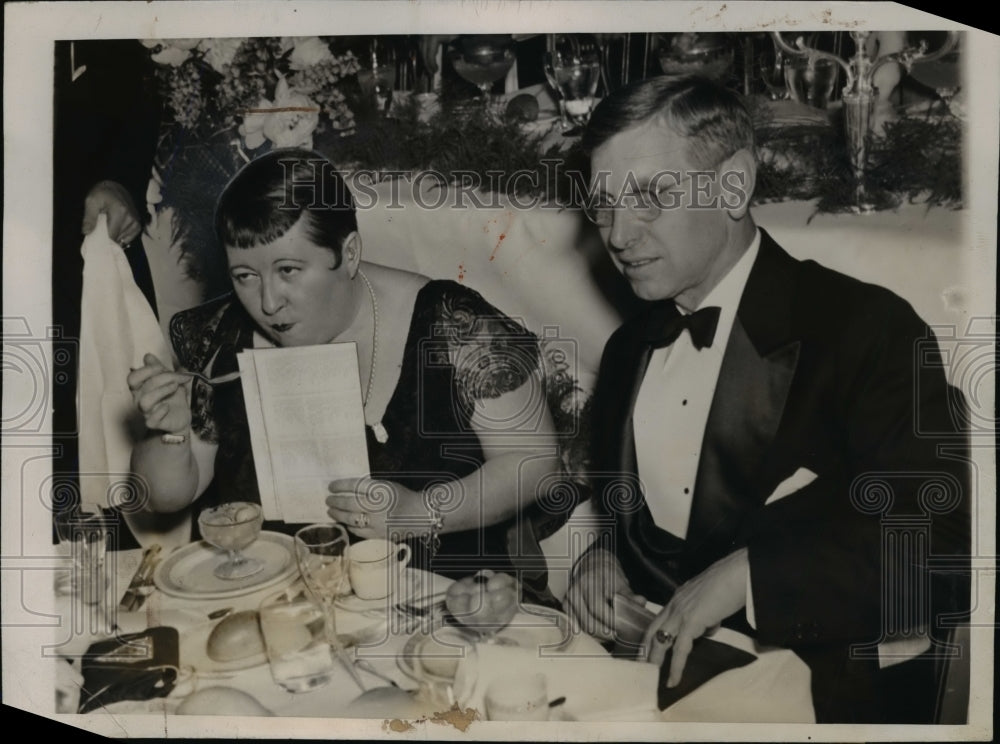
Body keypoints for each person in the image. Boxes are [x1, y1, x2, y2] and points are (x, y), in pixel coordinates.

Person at [564, 75, 969, 723]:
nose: (616, 233)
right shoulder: (629, 347)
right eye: (604, 203)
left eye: (649, 198)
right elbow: (644, 525)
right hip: (646, 688)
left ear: (735, 185)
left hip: (804, 696)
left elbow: (945, 556)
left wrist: (751, 576)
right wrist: (602, 556)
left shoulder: (866, 331)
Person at [126, 148, 561, 581]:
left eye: (289, 270)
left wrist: (422, 512)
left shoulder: (452, 324)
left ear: (348, 253)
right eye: (245, 276)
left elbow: (533, 462)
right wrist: (171, 432)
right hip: (285, 600)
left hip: (447, 600)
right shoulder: (220, 336)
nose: (268, 301)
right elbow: (165, 496)